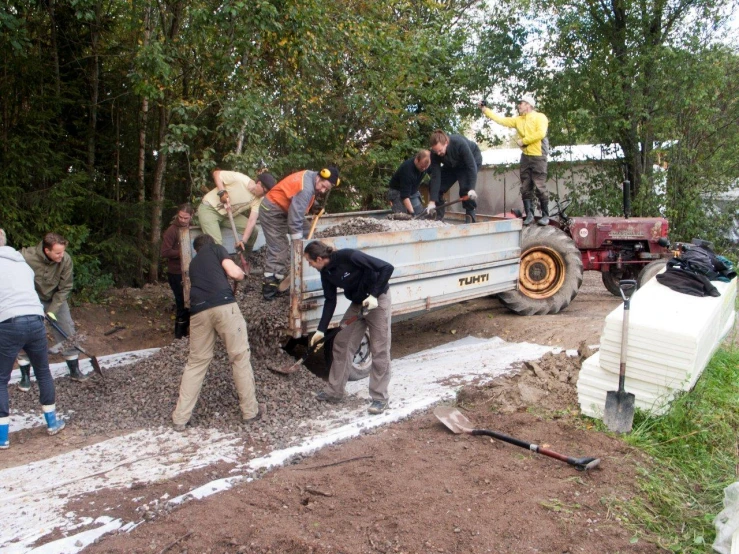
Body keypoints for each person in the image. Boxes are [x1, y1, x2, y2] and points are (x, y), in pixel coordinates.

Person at [171, 234, 260, 431]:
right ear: (211, 244)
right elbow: (233, 273)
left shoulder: (193, 264)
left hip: (198, 312)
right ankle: (250, 412)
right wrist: (243, 274)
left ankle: (180, 418)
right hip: (224, 307)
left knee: (196, 362)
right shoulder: (216, 249)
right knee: (239, 357)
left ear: (196, 250)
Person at [304, 241, 394, 415]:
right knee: (342, 342)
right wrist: (321, 330)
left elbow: (386, 268)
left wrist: (374, 295)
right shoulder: (326, 272)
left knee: (380, 348)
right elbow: (330, 301)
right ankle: (334, 392)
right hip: (358, 303)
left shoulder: (349, 256)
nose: (310, 265)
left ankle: (379, 398)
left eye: (310, 262)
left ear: (320, 258)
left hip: (377, 300)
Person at [0, 228, 65, 448]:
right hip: (35, 320)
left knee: (1, 379)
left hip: (9, 324)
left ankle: (2, 437)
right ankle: (52, 423)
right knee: (43, 372)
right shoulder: (22, 264)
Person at [17, 232, 88, 387]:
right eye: (57, 253)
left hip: (56, 298)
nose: (61, 255)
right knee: (27, 333)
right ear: (46, 250)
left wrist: (51, 311)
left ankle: (74, 370)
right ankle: (25, 377)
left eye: (62, 251)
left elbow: (65, 287)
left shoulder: (65, 260)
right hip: (31, 299)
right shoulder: (25, 257)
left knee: (67, 329)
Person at [259, 167, 339, 300]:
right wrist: (299, 244)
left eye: (326, 189)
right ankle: (270, 287)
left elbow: (296, 196)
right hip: (272, 210)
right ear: (320, 176)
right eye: (323, 186)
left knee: (309, 233)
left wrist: (313, 204)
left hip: (285, 208)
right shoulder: (306, 188)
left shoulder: (311, 177)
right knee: (279, 247)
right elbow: (295, 220)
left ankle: (316, 258)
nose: (323, 190)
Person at [480, 94, 549, 225]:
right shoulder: (518, 120)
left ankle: (545, 215)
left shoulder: (540, 117)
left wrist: (524, 141)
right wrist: (485, 110)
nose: (519, 105)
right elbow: (501, 120)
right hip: (526, 157)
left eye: (521, 103)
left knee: (540, 186)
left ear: (528, 105)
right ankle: (529, 215)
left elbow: (540, 133)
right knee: (525, 187)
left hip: (539, 156)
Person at [198, 169, 276, 252]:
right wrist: (222, 192)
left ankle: (245, 256)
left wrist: (243, 241)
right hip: (209, 209)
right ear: (259, 183)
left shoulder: (259, 199)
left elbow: (252, 221)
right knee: (216, 246)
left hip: (228, 214)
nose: (264, 195)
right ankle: (218, 263)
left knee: (254, 231)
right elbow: (216, 174)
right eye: (264, 192)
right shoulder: (240, 179)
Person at [160, 203, 194, 339]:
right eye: (180, 217)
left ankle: (189, 335)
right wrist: (183, 252)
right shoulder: (172, 231)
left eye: (186, 218)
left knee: (191, 303)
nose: (182, 220)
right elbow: (165, 252)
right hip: (176, 273)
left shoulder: (193, 229)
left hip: (190, 272)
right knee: (182, 304)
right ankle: (179, 337)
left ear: (191, 216)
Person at [387, 150, 431, 215]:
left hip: (413, 191)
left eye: (426, 167)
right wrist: (412, 213)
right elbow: (404, 196)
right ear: (416, 160)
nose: (424, 169)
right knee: (402, 216)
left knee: (420, 215)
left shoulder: (426, 164)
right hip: (397, 191)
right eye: (422, 167)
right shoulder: (407, 170)